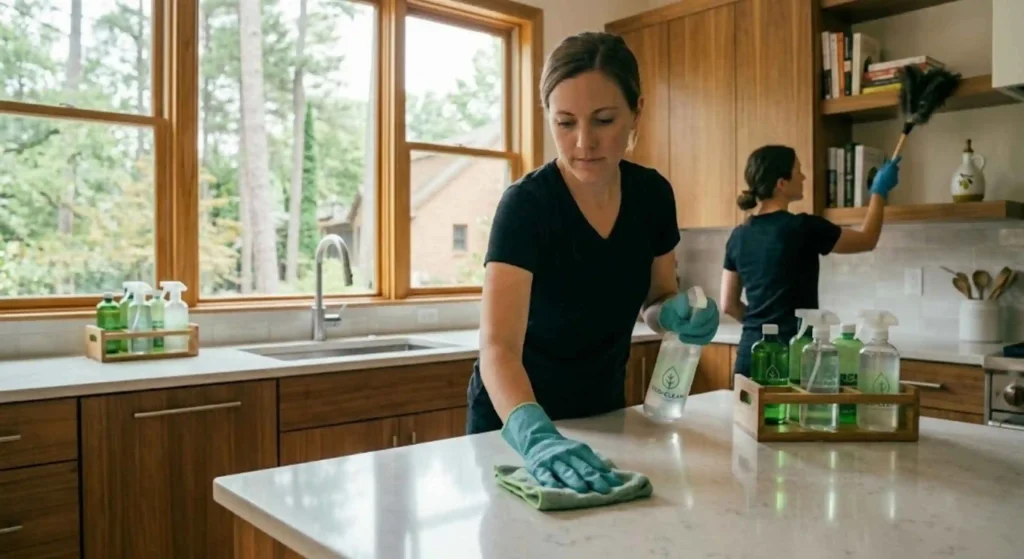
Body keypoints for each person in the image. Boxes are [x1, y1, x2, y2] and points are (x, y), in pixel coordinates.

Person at [466, 31, 720, 494]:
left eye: (604, 120)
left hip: (605, 416)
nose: (584, 142)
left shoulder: (652, 196)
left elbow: (656, 298)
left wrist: (674, 313)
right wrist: (536, 437)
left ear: (636, 111)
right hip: (516, 427)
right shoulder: (527, 206)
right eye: (565, 123)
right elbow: (498, 347)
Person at [720, 144, 901, 377]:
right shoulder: (803, 227)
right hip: (793, 356)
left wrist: (764, 327)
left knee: (747, 404)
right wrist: (879, 191)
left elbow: (728, 304)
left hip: (751, 354)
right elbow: (867, 239)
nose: (804, 177)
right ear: (781, 183)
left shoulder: (738, 235)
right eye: (798, 171)